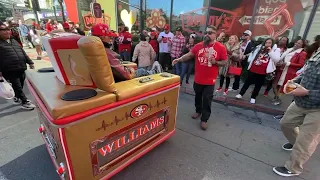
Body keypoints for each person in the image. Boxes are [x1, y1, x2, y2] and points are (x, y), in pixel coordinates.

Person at [273, 50, 320, 177]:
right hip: (301, 102)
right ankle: (296, 144)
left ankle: (293, 168)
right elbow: (306, 73)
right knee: (286, 124)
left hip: (317, 109)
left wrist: (307, 92)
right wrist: (294, 81)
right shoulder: (318, 52)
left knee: (306, 140)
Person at [172, 25, 228, 130]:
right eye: (206, 32)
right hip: (198, 79)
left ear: (215, 35)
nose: (207, 34)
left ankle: (204, 119)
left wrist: (215, 62)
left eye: (210, 33)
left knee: (207, 99)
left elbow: (225, 62)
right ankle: (198, 111)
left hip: (210, 80)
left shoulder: (220, 47)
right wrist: (179, 59)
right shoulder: (199, 45)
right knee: (198, 96)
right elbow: (189, 55)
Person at [91, 23, 162, 82]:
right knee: (141, 71)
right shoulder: (106, 52)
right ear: (102, 37)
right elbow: (125, 74)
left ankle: (153, 72)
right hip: (120, 78)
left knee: (141, 69)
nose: (111, 38)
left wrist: (133, 60)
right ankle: (155, 72)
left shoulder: (92, 51)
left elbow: (135, 54)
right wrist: (131, 69)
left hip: (117, 74)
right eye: (109, 36)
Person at [0, 24, 36, 110]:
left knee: (21, 83)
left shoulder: (14, 41)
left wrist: (30, 62)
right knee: (17, 86)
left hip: (21, 67)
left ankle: (17, 96)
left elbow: (22, 52)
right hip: (9, 69)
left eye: (8, 29)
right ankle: (24, 101)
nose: (7, 31)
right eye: (3, 30)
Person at [235, 38, 281, 104]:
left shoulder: (276, 50)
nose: (267, 44)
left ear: (272, 44)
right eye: (266, 42)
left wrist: (270, 52)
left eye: (269, 43)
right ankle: (241, 94)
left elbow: (276, 59)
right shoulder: (259, 47)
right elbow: (252, 54)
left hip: (262, 71)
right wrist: (250, 60)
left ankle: (253, 97)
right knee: (247, 82)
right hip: (253, 68)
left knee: (258, 85)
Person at [274, 39, 307, 105]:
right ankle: (276, 98)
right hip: (282, 69)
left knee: (283, 87)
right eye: (297, 42)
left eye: (299, 43)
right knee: (277, 84)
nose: (296, 44)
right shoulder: (290, 49)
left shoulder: (302, 53)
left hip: (289, 72)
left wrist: (288, 63)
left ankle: (278, 100)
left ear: (302, 46)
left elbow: (301, 64)